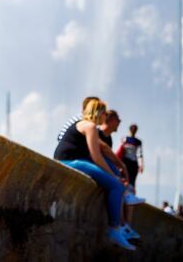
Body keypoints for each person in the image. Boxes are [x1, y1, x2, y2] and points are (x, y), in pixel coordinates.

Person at [54, 98, 138, 251]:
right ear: (99, 113)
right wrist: (115, 177)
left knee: (116, 183)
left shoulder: (83, 124)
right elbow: (96, 156)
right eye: (104, 113)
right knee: (116, 187)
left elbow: (100, 153)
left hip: (72, 158)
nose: (105, 117)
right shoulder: (90, 126)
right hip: (70, 161)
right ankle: (115, 229)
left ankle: (124, 198)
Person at [118, 124, 144, 190]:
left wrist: (141, 165)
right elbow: (120, 151)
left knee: (132, 181)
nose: (133, 131)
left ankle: (130, 195)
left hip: (133, 164)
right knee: (123, 178)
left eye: (135, 129)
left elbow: (139, 154)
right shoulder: (125, 139)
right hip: (125, 162)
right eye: (132, 129)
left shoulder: (138, 142)